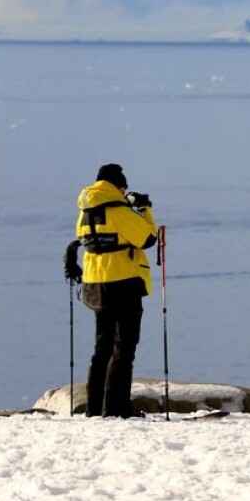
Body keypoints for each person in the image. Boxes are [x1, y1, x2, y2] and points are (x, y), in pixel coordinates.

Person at [76, 163, 157, 418]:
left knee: (102, 348)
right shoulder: (118, 211)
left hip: (95, 284)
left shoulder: (85, 211)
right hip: (123, 284)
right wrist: (144, 209)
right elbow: (148, 238)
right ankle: (117, 408)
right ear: (119, 186)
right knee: (124, 349)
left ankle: (94, 407)